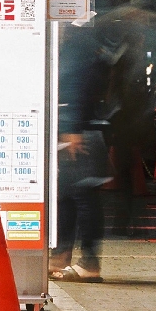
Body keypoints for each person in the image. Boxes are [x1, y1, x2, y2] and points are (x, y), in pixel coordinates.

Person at [52, 21, 110, 281]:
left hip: (80, 131)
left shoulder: (76, 44)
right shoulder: (79, 42)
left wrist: (71, 127)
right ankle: (62, 256)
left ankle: (88, 261)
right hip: (80, 127)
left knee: (81, 195)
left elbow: (75, 86)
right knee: (67, 194)